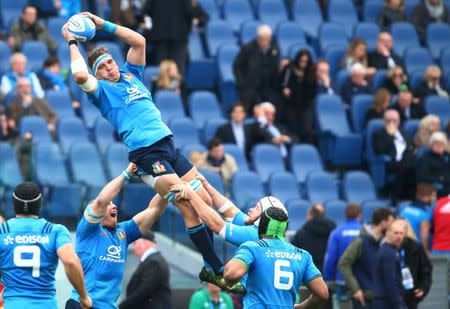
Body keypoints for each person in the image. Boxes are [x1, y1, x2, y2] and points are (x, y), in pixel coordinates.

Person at [62, 12, 233, 290]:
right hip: (146, 155)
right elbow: (81, 73)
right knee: (188, 202)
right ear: (99, 77)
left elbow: (139, 40)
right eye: (102, 68)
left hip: (168, 145)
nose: (109, 68)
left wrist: (102, 24)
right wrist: (71, 41)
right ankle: (215, 267)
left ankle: (210, 265)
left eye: (109, 63)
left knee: (204, 197)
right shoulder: (101, 93)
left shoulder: (131, 74)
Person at [65, 163, 169, 308]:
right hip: (82, 304)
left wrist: (170, 185)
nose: (114, 206)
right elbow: (101, 201)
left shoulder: (123, 231)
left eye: (113, 204)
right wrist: (126, 174)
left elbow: (154, 210)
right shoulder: (88, 230)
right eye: (109, 205)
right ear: (98, 212)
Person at [0, 182, 91, 308]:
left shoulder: (2, 231)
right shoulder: (55, 230)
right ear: (40, 204)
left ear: (14, 205)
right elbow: (70, 262)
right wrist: (84, 296)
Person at [223, 207, 329, 308]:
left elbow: (231, 274)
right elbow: (323, 293)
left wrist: (226, 282)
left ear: (262, 226)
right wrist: (301, 307)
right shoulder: (303, 255)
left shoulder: (252, 247)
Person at [338, 207, 395, 309]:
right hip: (364, 299)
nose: (392, 227)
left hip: (384, 298)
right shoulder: (360, 241)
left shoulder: (387, 243)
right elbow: (343, 263)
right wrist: (355, 289)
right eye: (390, 224)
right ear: (383, 223)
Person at [233, 24, 282, 112]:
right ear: (258, 38)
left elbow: (276, 66)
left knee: (276, 104)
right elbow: (237, 66)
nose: (265, 41)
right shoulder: (247, 48)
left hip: (268, 85)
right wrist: (242, 84)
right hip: (250, 85)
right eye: (262, 39)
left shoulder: (275, 49)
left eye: (267, 39)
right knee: (247, 105)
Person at [118, 230, 171, 309]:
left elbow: (144, 291)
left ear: (143, 244)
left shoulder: (154, 262)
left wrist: (121, 306)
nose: (133, 247)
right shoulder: (153, 260)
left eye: (135, 243)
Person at [323, 204, 362, 309]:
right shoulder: (365, 232)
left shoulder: (336, 232)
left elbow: (331, 258)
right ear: (360, 215)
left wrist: (328, 278)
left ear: (345, 215)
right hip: (361, 280)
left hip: (342, 279)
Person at [373, 109, 416, 201]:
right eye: (389, 120)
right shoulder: (378, 134)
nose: (391, 123)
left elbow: (411, 145)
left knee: (416, 165)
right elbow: (380, 150)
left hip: (407, 159)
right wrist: (390, 135)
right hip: (391, 162)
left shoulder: (403, 132)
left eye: (394, 121)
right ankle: (396, 197)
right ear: (384, 121)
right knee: (405, 166)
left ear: (399, 121)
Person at [141, 0, 193, 75]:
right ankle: (178, 85)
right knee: (179, 65)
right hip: (179, 34)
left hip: (159, 34)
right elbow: (189, 12)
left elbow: (147, 11)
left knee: (161, 66)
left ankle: (161, 85)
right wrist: (187, 29)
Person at [372, 219, 407, 309]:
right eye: (396, 233)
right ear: (388, 234)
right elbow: (390, 281)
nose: (399, 236)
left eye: (401, 233)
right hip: (386, 302)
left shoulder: (390, 250)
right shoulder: (389, 253)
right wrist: (398, 304)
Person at [291, 204, 337, 272]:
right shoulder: (333, 230)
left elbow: (293, 253)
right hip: (329, 272)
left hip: (308, 273)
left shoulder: (302, 232)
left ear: (310, 215)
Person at [280, 49, 314, 141]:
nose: (303, 63)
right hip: (291, 104)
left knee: (307, 129)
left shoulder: (311, 72)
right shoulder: (289, 69)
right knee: (293, 129)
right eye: (302, 61)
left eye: (305, 61)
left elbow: (313, 89)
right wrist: (284, 90)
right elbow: (282, 83)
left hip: (305, 105)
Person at [401, 222, 432, 309]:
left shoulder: (416, 247)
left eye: (401, 231)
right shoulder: (386, 249)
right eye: (396, 232)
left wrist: (423, 288)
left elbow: (426, 271)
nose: (399, 235)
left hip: (410, 296)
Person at [416, 132, 450, 197]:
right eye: (436, 143)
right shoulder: (425, 157)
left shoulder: (447, 156)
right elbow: (422, 177)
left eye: (441, 143)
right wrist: (441, 178)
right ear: (431, 144)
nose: (439, 145)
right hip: (435, 186)